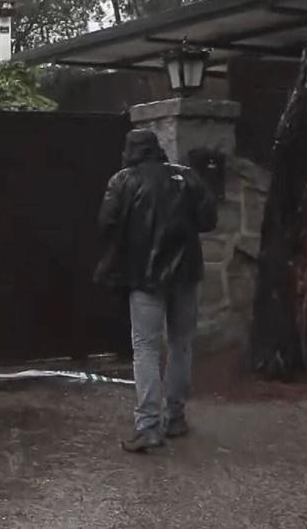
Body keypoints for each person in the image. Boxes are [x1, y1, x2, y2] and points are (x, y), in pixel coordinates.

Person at [95, 129, 218, 453]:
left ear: (130, 151)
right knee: (181, 345)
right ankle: (175, 417)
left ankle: (148, 425)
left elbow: (105, 222)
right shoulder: (186, 177)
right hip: (187, 274)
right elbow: (208, 219)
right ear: (157, 149)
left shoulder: (123, 181)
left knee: (146, 348)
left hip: (144, 276)